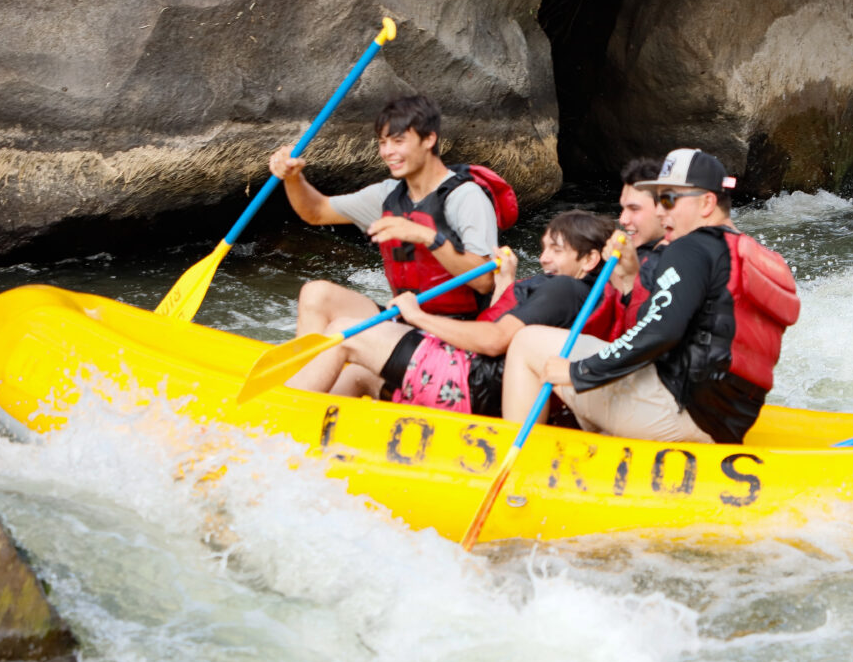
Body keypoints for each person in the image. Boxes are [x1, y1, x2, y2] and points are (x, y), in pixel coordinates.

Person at [501, 148, 801, 444]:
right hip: (726, 424)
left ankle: (521, 464)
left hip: (672, 414)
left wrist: (580, 371)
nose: (660, 211)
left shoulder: (689, 248)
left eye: (669, 199)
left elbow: (660, 332)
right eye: (658, 200)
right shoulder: (748, 252)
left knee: (527, 342)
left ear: (707, 202)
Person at [269, 94, 509, 395]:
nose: (387, 152)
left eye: (398, 141)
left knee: (343, 333)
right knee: (316, 294)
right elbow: (316, 211)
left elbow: (485, 280)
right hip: (407, 325)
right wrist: (293, 178)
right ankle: (300, 387)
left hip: (457, 344)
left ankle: (294, 401)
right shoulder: (389, 194)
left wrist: (425, 236)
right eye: (383, 143)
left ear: (429, 139)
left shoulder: (465, 197)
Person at [285, 211, 618, 418]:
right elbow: (505, 325)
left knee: (347, 331)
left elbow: (494, 341)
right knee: (359, 373)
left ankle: (277, 414)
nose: (544, 258)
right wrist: (506, 281)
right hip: (479, 381)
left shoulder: (564, 290)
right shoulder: (575, 293)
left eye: (556, 251)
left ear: (589, 260)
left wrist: (417, 317)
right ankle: (308, 430)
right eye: (544, 247)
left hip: (469, 381)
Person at [608, 157, 668, 333]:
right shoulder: (642, 249)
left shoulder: (675, 259)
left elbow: (644, 334)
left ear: (665, 207)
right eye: (623, 208)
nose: (622, 220)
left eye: (634, 209)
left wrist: (626, 280)